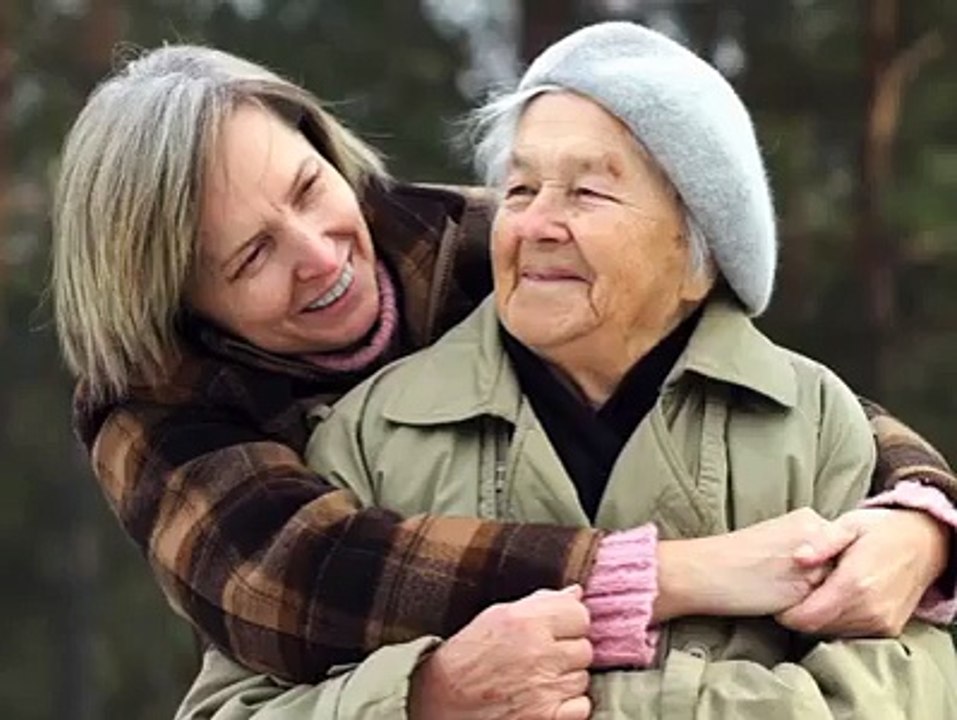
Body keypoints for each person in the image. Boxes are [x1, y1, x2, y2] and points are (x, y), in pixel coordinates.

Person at [49, 32, 955, 719]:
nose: (321, 255)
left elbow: (775, 389)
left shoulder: (472, 237)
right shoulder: (169, 404)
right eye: (250, 256)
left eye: (307, 188)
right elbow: (301, 579)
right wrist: (432, 692)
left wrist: (923, 517)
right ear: (182, 304)